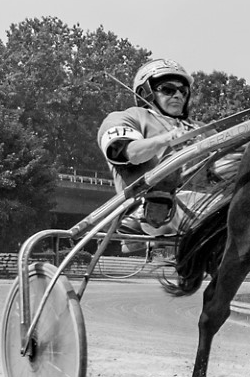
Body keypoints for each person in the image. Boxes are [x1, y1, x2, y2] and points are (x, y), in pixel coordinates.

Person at [99, 58, 238, 247]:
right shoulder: (128, 117)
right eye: (168, 90)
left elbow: (226, 164)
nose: (178, 95)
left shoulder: (200, 128)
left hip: (206, 203)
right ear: (146, 93)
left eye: (183, 90)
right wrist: (167, 139)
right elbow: (132, 153)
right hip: (154, 207)